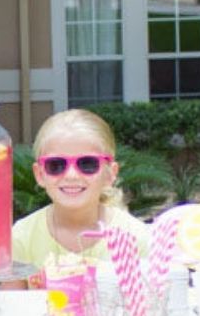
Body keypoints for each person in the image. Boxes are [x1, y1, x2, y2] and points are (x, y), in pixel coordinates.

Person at [11, 108, 150, 268]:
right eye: (56, 165)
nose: (71, 175)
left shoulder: (135, 237)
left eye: (87, 164)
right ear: (39, 174)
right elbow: (12, 293)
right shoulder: (23, 236)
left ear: (110, 174)